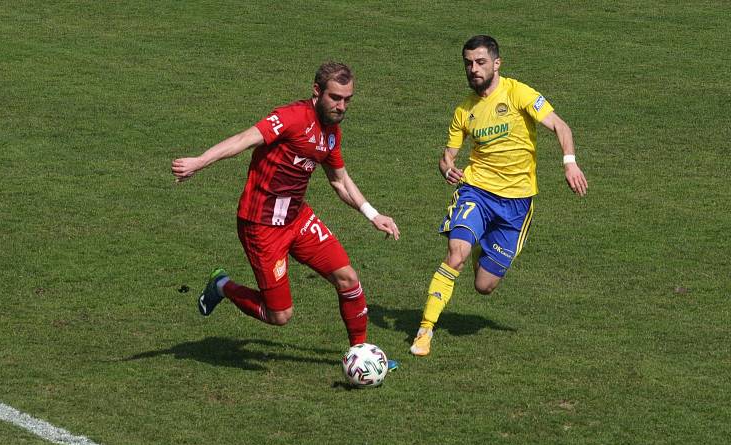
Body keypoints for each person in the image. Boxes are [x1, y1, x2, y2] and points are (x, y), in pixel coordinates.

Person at [172, 62, 400, 354]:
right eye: (336, 98)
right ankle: (222, 286)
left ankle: (362, 353)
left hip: (296, 218)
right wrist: (198, 162)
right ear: (317, 91)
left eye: (347, 100)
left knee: (349, 279)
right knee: (279, 315)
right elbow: (244, 139)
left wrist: (373, 214)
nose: (342, 106)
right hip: (261, 226)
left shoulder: (331, 132)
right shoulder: (290, 118)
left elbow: (340, 182)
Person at [410, 35, 588, 357]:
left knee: (484, 286)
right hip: (476, 192)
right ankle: (424, 331)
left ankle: (483, 248)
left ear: (496, 63)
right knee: (455, 254)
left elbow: (561, 127)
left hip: (517, 204)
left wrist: (569, 164)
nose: (473, 69)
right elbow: (447, 156)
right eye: (468, 63)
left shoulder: (518, 93)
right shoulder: (464, 110)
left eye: (480, 62)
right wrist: (447, 167)